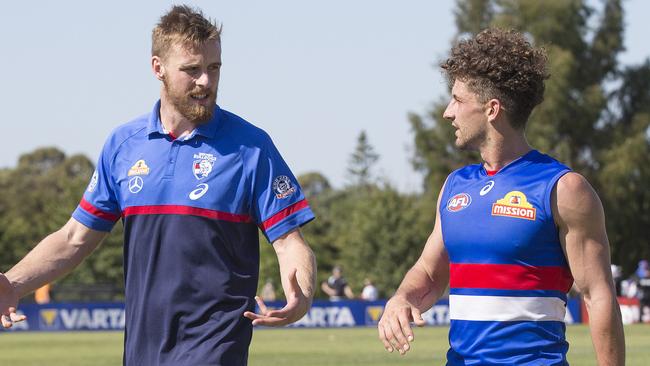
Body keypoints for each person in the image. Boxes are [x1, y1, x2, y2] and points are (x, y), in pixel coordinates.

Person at [0, 5, 316, 366]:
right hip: (143, 349)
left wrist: (301, 295)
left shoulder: (251, 147)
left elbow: (290, 242)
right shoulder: (123, 145)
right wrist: (13, 282)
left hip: (215, 345)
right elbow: (73, 239)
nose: (206, 82)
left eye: (214, 68)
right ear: (157, 68)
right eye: (192, 70)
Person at [377, 28, 625, 365]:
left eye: (458, 100)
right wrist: (402, 299)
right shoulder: (454, 186)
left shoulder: (563, 188)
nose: (448, 112)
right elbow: (431, 273)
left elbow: (598, 296)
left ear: (492, 109)